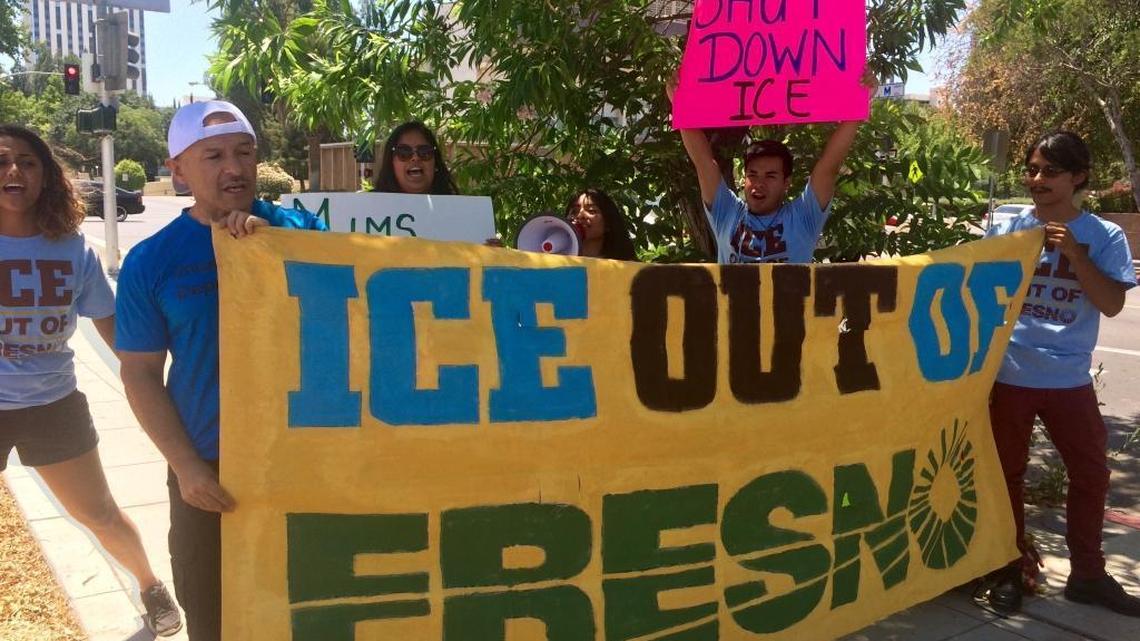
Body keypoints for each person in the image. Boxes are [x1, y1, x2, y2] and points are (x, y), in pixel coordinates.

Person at [115, 100, 327, 641]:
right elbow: (139, 373)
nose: (233, 167)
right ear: (178, 169)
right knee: (211, 613)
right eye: (212, 155)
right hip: (208, 466)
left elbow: (363, 311)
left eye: (243, 152)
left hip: (304, 452)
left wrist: (277, 250)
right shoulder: (150, 261)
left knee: (310, 607)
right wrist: (186, 467)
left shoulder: (301, 229)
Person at [0, 125, 182, 636]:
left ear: (45, 176)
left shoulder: (71, 249)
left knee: (99, 514)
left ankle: (149, 585)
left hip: (52, 406)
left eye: (28, 162)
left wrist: (166, 370)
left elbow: (115, 330)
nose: (15, 171)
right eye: (2, 161)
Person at [985, 131, 1139, 616]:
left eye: (1050, 172)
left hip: (1067, 380)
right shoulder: (1005, 225)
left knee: (1091, 473)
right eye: (1031, 169)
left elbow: (1113, 304)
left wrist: (1075, 253)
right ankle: (1009, 567)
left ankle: (1088, 574)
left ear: (1078, 178)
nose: (1036, 180)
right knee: (1004, 477)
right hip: (1008, 375)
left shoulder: (1104, 236)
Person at [666, 72, 874, 264]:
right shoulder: (726, 211)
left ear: (786, 183)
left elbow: (829, 167)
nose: (759, 183)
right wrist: (679, 103)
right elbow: (703, 163)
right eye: (752, 174)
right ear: (743, 179)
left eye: (770, 176)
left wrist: (858, 106)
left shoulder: (803, 217)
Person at [373, 121, 459, 195]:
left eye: (424, 152)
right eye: (404, 152)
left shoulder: (459, 208)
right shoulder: (367, 207)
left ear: (435, 163)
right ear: (391, 163)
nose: (415, 158)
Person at [563, 188, 639, 260]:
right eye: (574, 211)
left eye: (591, 210)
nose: (580, 215)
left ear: (608, 222)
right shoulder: (557, 258)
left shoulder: (629, 265)